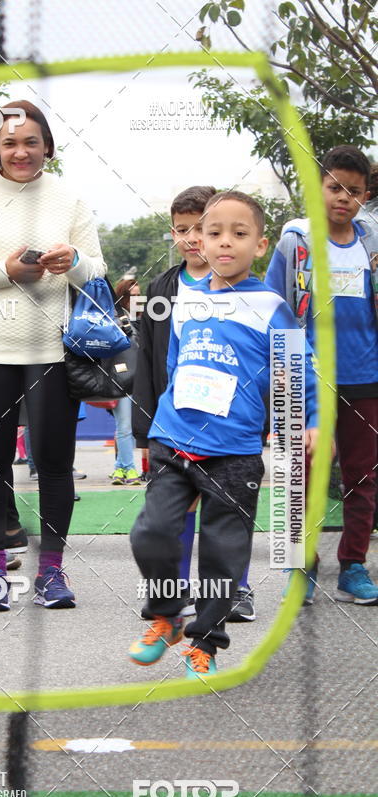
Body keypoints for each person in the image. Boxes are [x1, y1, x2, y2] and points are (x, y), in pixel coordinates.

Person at [128, 191, 318, 675]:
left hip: (233, 452)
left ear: (260, 245)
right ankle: (166, 615)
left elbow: (296, 371)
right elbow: (174, 364)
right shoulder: (184, 300)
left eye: (239, 234)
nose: (224, 243)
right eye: (214, 233)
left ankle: (205, 643)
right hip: (173, 439)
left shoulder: (270, 304)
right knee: (150, 533)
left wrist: (306, 423)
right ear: (198, 241)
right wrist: (161, 422)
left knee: (221, 552)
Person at [0, 100, 106, 611]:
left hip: (53, 352)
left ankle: (51, 571)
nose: (21, 151)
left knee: (54, 464)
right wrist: (6, 270)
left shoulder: (69, 198)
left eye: (31, 141)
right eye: (10, 142)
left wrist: (72, 262)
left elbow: (96, 273)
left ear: (47, 145)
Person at [132, 186, 256, 623]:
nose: (192, 238)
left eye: (200, 228)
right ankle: (171, 591)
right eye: (182, 230)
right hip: (174, 424)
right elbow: (148, 359)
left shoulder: (251, 295)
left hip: (230, 427)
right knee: (168, 513)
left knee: (226, 517)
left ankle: (233, 590)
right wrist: (142, 430)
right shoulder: (162, 289)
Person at [266, 146, 378, 604]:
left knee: (363, 476)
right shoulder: (297, 241)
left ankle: (353, 565)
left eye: (353, 191)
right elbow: (272, 308)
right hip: (306, 380)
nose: (342, 198)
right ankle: (302, 568)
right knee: (304, 474)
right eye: (334, 187)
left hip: (365, 377)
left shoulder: (372, 242)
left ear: (365, 195)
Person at [108, 277, 141, 486]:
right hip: (121, 377)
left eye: (139, 295)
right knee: (125, 426)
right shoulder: (116, 317)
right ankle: (129, 469)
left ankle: (119, 468)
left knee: (126, 426)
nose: (137, 299)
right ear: (123, 296)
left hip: (137, 377)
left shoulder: (143, 317)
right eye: (132, 296)